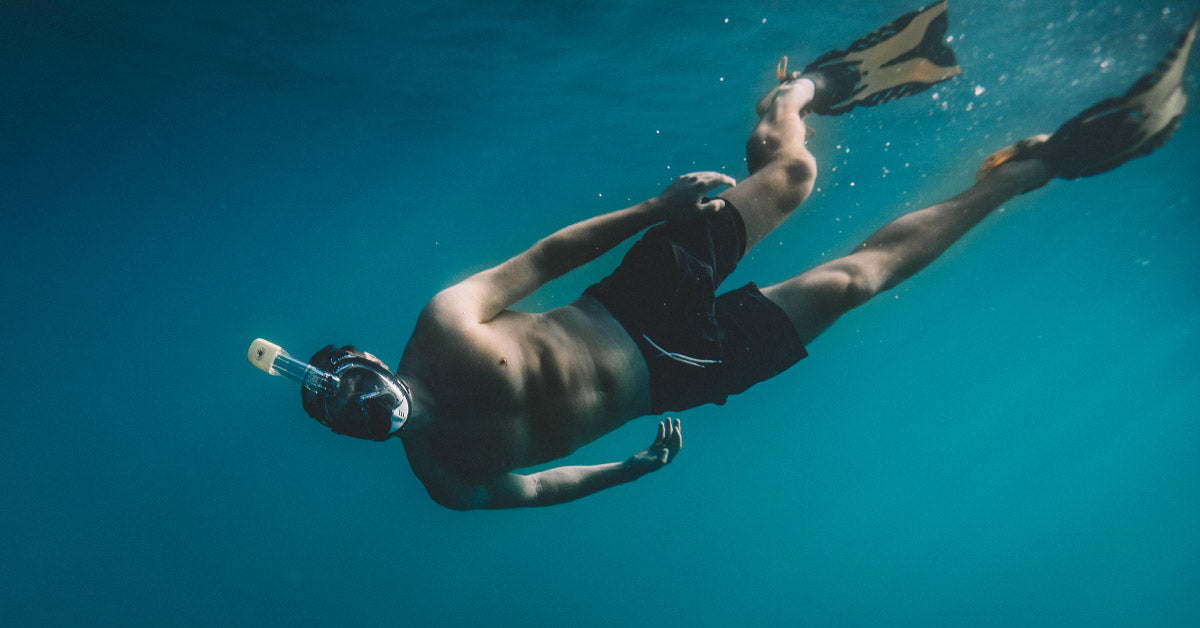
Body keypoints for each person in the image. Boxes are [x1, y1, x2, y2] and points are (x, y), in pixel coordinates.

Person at [248, 6, 1196, 509]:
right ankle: (1026, 173)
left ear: (369, 362)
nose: (353, 400)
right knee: (855, 281)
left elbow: (544, 256)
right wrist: (634, 472)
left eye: (345, 379)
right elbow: (537, 488)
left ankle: (801, 93)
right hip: (674, 377)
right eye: (336, 411)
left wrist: (653, 211)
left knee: (792, 182)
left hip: (629, 300)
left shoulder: (443, 326)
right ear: (346, 432)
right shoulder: (449, 483)